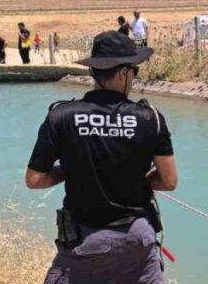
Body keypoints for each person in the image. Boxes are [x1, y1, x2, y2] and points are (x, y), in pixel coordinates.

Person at [26, 31, 177, 284]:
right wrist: (132, 179)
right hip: (136, 238)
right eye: (134, 72)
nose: (134, 79)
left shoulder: (61, 115)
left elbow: (35, 179)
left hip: (84, 240)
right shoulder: (150, 117)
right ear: (122, 73)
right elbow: (169, 180)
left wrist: (72, 170)